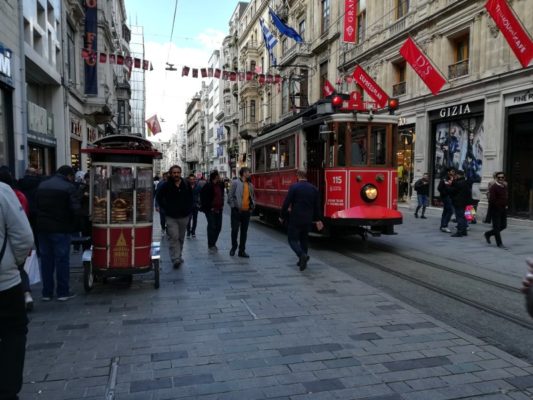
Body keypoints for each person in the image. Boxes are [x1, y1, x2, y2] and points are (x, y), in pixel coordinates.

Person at [0, 181, 34, 400]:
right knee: (12, 334)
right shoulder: (3, 192)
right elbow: (24, 238)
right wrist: (13, 266)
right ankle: (7, 389)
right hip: (4, 283)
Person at [35, 165, 80, 301]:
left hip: (42, 228)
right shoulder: (68, 187)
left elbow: (36, 205)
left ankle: (47, 293)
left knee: (46, 260)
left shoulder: (42, 185)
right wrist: (75, 225)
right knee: (62, 260)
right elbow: (75, 208)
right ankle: (63, 292)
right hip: (60, 228)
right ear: (69, 175)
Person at [0, 166, 34, 312]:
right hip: (5, 278)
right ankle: (27, 294)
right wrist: (15, 261)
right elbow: (23, 235)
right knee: (13, 330)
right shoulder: (8, 193)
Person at [279, 169, 323, 271]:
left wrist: (282, 216)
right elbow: (317, 206)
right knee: (304, 240)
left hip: (296, 218)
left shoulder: (294, 187)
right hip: (308, 219)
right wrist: (318, 219)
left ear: (298, 176)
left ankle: (301, 255)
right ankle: (302, 261)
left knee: (292, 240)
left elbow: (286, 203)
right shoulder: (314, 189)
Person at [155, 166, 192, 268]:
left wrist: (189, 209)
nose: (176, 174)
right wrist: (164, 208)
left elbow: (190, 197)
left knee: (180, 238)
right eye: (174, 173)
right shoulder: (166, 185)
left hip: (184, 216)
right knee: (173, 237)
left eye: (178, 172)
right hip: (171, 216)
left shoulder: (185, 184)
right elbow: (159, 197)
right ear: (171, 174)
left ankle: (179, 256)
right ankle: (175, 258)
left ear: (180, 173)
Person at [228, 167, 255, 258]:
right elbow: (230, 196)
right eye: (248, 172)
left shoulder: (250, 184)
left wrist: (252, 206)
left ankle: (242, 250)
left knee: (244, 232)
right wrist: (233, 206)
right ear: (243, 173)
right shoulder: (235, 182)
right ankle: (233, 248)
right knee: (235, 230)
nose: (249, 173)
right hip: (236, 211)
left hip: (246, 212)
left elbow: (252, 196)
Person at [200, 170, 225, 252]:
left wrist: (222, 204)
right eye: (218, 176)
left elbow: (221, 195)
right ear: (215, 177)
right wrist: (209, 207)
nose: (220, 177)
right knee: (212, 226)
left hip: (219, 209)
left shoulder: (221, 185)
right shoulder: (208, 186)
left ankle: (213, 242)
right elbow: (203, 198)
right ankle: (211, 244)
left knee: (218, 227)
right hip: (210, 210)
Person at [484, 172, 508, 249]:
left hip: (503, 209)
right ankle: (499, 244)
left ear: (504, 178)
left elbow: (505, 197)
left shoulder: (504, 186)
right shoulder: (494, 187)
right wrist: (498, 205)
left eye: (502, 177)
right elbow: (492, 200)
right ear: (496, 178)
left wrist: (505, 205)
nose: (501, 179)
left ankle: (488, 234)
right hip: (496, 210)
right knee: (496, 227)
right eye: (499, 177)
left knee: (504, 226)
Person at [448, 170, 471, 237]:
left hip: (458, 202)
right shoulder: (466, 182)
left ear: (458, 175)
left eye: (455, 175)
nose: (455, 176)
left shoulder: (457, 183)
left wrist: (450, 185)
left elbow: (452, 191)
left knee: (459, 217)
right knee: (464, 217)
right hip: (465, 202)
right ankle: (464, 231)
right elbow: (469, 193)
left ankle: (459, 232)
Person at [438, 168, 455, 233]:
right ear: (448, 172)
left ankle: (442, 226)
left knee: (445, 211)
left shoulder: (453, 179)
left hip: (450, 197)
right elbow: (439, 188)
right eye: (452, 171)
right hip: (446, 197)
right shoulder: (444, 179)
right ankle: (444, 226)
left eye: (454, 171)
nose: (453, 172)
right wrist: (445, 193)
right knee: (450, 210)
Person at [186, 173, 201, 238]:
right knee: (188, 219)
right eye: (191, 179)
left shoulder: (198, 186)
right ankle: (188, 232)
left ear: (195, 180)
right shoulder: (186, 186)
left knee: (195, 219)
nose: (192, 180)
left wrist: (199, 203)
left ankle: (193, 231)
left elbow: (200, 195)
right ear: (189, 180)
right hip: (188, 206)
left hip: (195, 205)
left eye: (193, 179)